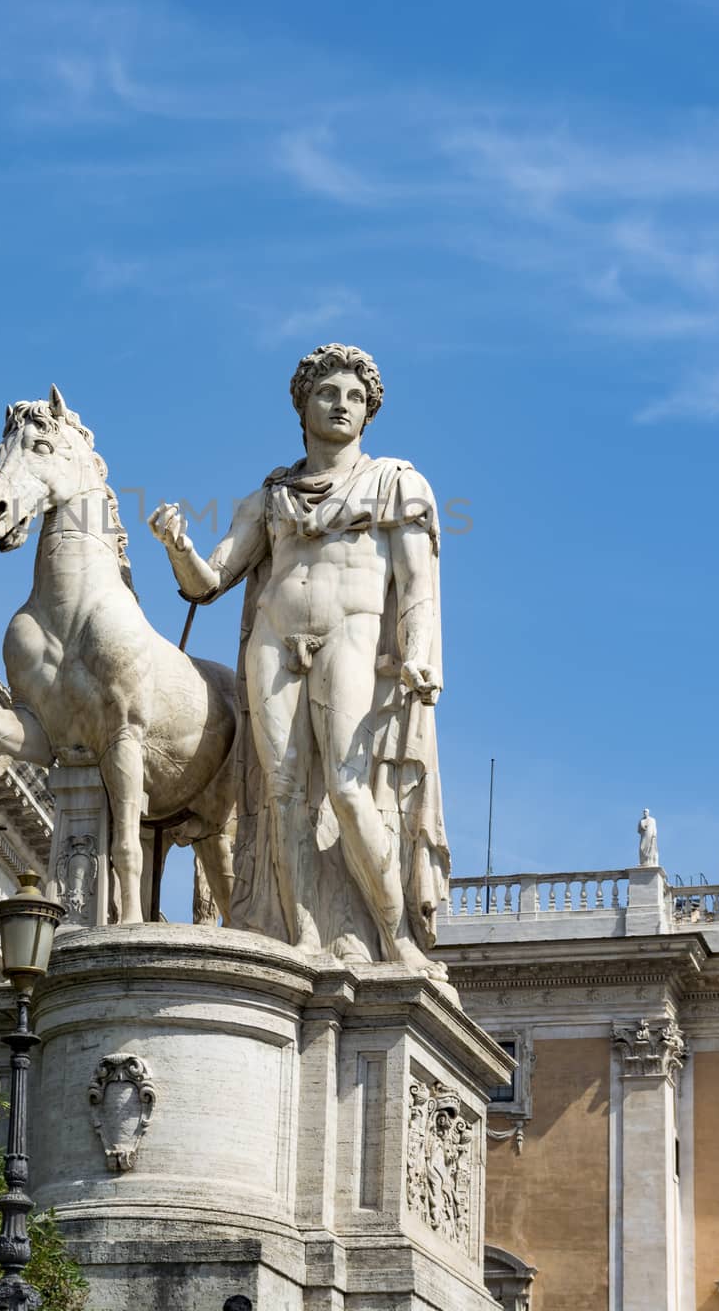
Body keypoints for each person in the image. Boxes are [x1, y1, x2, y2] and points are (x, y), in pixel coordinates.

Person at [150, 343, 450, 975]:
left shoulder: (396, 483)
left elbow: (418, 584)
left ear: (369, 413)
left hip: (353, 632)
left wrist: (419, 655)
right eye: (327, 394)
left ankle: (397, 938)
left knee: (347, 785)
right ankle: (304, 939)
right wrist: (178, 545)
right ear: (303, 406)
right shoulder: (270, 497)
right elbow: (209, 581)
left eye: (355, 398)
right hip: (274, 635)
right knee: (282, 793)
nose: (341, 405)